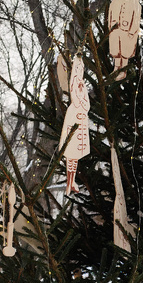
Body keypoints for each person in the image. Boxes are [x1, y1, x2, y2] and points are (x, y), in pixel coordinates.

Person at [58, 60, 91, 195]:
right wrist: (82, 102)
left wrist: (83, 100)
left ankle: (71, 181)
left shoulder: (81, 83)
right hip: (75, 120)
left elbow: (87, 104)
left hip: (81, 121)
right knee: (70, 153)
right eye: (79, 67)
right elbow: (77, 100)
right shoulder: (75, 82)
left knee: (75, 155)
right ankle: (69, 181)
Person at [108, 0, 140, 79]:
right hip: (115, 30)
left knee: (125, 51)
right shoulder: (115, 0)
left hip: (127, 32)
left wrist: (132, 31)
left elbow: (136, 18)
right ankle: (116, 67)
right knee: (116, 50)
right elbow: (110, 14)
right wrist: (110, 27)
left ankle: (123, 69)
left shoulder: (135, 2)